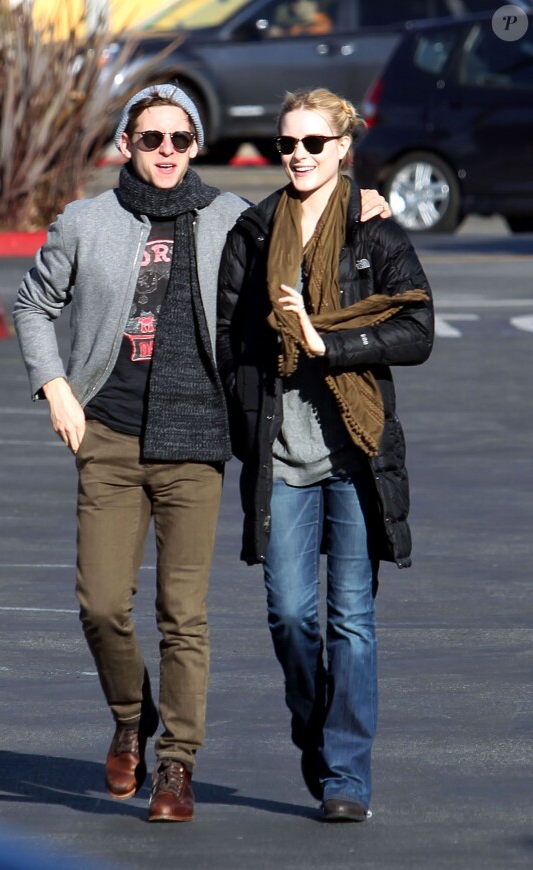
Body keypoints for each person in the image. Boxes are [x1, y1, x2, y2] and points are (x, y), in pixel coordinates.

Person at [13, 83, 389, 824]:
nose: (165, 152)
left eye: (179, 140)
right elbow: (32, 303)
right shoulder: (86, 221)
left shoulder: (231, 217)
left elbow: (306, 211)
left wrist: (362, 198)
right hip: (111, 435)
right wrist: (54, 386)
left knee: (183, 614)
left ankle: (175, 766)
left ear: (195, 147)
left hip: (197, 442)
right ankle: (131, 713)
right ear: (127, 144)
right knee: (100, 604)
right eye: (150, 138)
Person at [217, 88, 434, 823]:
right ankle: (314, 731)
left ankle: (346, 777)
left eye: (314, 143)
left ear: (344, 148)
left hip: (354, 459)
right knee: (289, 616)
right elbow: (230, 339)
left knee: (352, 624)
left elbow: (417, 329)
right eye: (287, 145)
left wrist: (327, 345)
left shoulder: (373, 233)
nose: (299, 156)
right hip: (280, 459)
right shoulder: (253, 229)